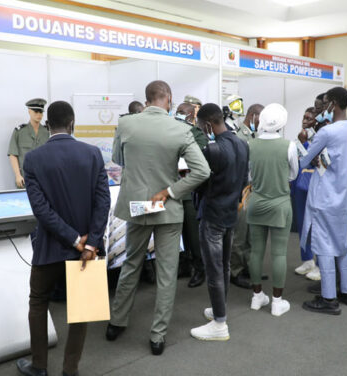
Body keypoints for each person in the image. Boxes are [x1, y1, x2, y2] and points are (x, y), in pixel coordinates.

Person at [106, 80, 210, 356]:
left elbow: (119, 158)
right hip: (165, 206)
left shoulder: (127, 124)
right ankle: (157, 336)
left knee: (131, 263)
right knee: (166, 274)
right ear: (169, 99)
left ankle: (117, 322)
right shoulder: (181, 129)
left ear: (147, 98)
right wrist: (170, 191)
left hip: (139, 205)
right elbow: (202, 171)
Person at [16, 101, 111, 376]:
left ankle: (39, 366)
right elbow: (102, 202)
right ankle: (70, 369)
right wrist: (90, 243)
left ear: (47, 125)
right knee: (81, 310)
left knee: (38, 302)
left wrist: (72, 239)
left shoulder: (33, 159)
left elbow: (41, 210)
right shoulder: (93, 154)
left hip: (49, 249)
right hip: (87, 253)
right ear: (73, 123)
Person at [190, 103, 248, 340]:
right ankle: (218, 310)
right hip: (230, 212)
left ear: (207, 124)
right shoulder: (243, 144)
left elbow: (200, 184)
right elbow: (245, 179)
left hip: (213, 214)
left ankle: (219, 324)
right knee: (223, 265)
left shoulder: (211, 150)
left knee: (214, 269)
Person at [299, 87, 347, 315]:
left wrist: (303, 141)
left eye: (324, 104)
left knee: (323, 245)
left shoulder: (327, 132)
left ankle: (328, 298)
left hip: (324, 196)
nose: (321, 109)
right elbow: (332, 160)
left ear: (333, 104)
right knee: (341, 244)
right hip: (343, 197)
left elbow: (304, 161)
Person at [246, 103, 298, 317]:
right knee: (278, 253)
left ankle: (256, 297)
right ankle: (277, 302)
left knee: (256, 252)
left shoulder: (251, 144)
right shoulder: (289, 145)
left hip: (256, 203)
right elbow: (293, 174)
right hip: (280, 205)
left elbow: (249, 175)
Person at [229, 103, 264, 289]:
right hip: (242, 192)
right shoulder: (238, 137)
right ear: (252, 116)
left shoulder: (256, 135)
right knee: (240, 235)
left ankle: (250, 268)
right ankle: (234, 271)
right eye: (261, 118)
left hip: (255, 191)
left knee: (253, 234)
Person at [175, 102, 208, 288]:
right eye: (177, 112)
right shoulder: (170, 130)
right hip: (172, 187)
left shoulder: (196, 134)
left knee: (192, 234)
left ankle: (199, 267)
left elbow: (202, 157)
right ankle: (184, 264)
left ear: (191, 116)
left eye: (182, 113)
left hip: (189, 190)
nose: (178, 115)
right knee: (177, 232)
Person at [291, 107, 319, 275]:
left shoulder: (319, 138)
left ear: (316, 121)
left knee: (316, 226)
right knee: (302, 224)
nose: (305, 121)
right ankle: (307, 260)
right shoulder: (300, 137)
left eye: (309, 118)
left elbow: (309, 161)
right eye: (304, 117)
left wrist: (301, 144)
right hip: (299, 186)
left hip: (314, 187)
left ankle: (321, 265)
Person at [8, 98, 50, 189]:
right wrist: (18, 175)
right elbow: (13, 154)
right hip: (25, 180)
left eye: (41, 112)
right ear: (29, 111)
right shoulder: (19, 132)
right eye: (36, 112)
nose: (39, 115)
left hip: (44, 179)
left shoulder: (47, 133)